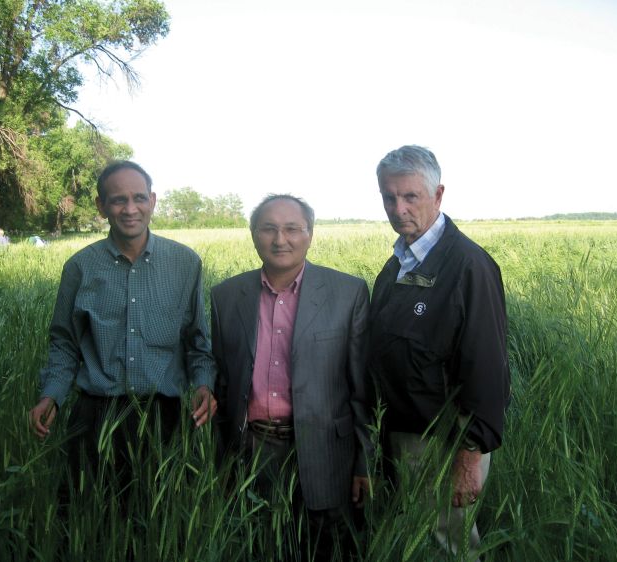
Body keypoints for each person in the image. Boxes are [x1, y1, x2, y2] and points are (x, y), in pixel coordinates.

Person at [29, 160, 217, 493]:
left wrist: (203, 384)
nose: (130, 209)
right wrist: (51, 395)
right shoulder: (80, 268)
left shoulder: (185, 263)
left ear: (153, 201)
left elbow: (197, 341)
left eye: (139, 198)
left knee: (160, 527)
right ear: (101, 207)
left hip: (165, 419)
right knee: (88, 521)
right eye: (118, 200)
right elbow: (64, 343)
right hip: (95, 417)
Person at [211, 194, 372, 560]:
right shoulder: (225, 296)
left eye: (292, 229)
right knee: (258, 545)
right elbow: (223, 378)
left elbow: (362, 388)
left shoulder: (348, 293)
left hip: (326, 454)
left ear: (310, 234)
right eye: (268, 228)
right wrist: (221, 460)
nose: (280, 239)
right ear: (253, 235)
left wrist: (365, 462)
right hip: (252, 452)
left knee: (324, 549)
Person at [368, 145, 510, 559]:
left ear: (438, 195)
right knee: (415, 540)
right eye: (388, 197)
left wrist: (469, 456)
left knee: (450, 546)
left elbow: (486, 369)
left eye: (410, 196)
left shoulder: (469, 266)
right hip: (401, 436)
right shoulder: (398, 264)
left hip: (445, 445)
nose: (398, 208)